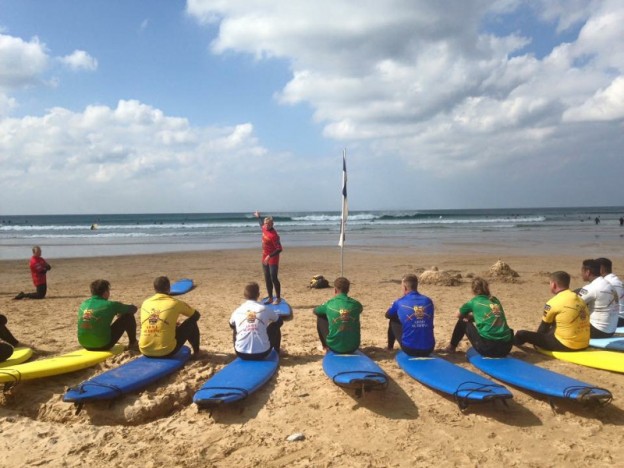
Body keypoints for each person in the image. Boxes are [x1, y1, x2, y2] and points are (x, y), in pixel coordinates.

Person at [514, 271, 590, 351]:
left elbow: (543, 329)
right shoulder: (580, 299)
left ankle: (513, 346)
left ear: (553, 285)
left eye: (550, 283)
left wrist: (537, 341)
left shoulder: (553, 303)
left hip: (567, 345)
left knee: (521, 334)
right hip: (584, 344)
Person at [444, 277, 513, 357]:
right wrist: (474, 317)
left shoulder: (474, 302)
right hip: (506, 348)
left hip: (489, 349)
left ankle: (451, 347)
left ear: (473, 290)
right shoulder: (494, 300)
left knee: (462, 321)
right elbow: (495, 316)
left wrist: (468, 316)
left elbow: (457, 314)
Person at [139, 276, 201, 358]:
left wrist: (172, 323)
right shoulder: (175, 303)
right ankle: (197, 352)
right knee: (191, 323)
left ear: (154, 288)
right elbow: (196, 315)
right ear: (169, 288)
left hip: (144, 350)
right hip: (166, 351)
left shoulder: (145, 303)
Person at [77, 279, 138, 351]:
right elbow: (133, 309)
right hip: (103, 345)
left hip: (84, 344)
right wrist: (122, 312)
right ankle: (133, 343)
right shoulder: (110, 305)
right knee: (128, 316)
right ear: (106, 292)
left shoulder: (83, 304)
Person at [229, 282, 283, 360]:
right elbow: (279, 321)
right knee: (275, 326)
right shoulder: (264, 308)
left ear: (244, 295)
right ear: (258, 295)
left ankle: (242, 345)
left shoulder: (238, 310)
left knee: (235, 327)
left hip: (241, 353)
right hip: (262, 353)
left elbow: (231, 325)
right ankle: (276, 351)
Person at [385, 273, 435, 356]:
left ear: (404, 287)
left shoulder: (399, 302)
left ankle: (390, 347)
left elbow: (387, 315)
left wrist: (393, 305)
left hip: (410, 349)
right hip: (429, 348)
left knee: (393, 319)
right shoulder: (428, 301)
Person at [313, 277, 363, 354]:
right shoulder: (356, 304)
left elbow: (315, 311)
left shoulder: (329, 304)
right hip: (353, 347)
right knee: (354, 315)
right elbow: (360, 310)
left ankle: (325, 347)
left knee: (321, 316)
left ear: (335, 290)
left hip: (334, 347)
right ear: (348, 290)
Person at [577, 259, 618, 338]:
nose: (581, 274)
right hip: (611, 330)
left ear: (588, 272)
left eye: (582, 271)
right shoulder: (609, 285)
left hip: (598, 331)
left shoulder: (591, 288)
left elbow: (572, 305)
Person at [253, 211, 282, 304]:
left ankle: (277, 298)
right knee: (267, 278)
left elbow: (279, 249)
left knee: (274, 278)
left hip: (273, 258)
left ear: (272, 224)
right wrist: (258, 216)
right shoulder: (264, 228)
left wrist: (269, 256)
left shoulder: (274, 235)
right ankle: (270, 298)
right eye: (265, 224)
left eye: (268, 224)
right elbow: (261, 223)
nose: (265, 225)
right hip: (264, 257)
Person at [595, 257, 624, 327]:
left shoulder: (606, 283)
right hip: (620, 317)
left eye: (595, 268)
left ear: (601, 269)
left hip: (616, 319)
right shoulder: (616, 280)